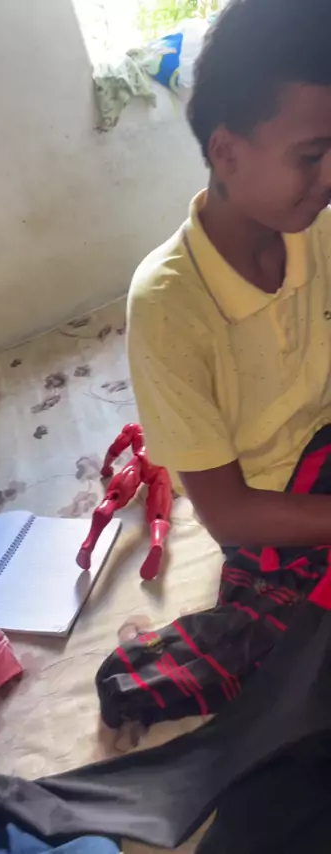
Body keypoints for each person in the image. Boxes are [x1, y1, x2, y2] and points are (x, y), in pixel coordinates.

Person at [128, 0, 331, 548]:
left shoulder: (321, 232)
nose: (330, 176)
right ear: (227, 153)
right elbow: (230, 515)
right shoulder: (167, 307)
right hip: (274, 508)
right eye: (311, 156)